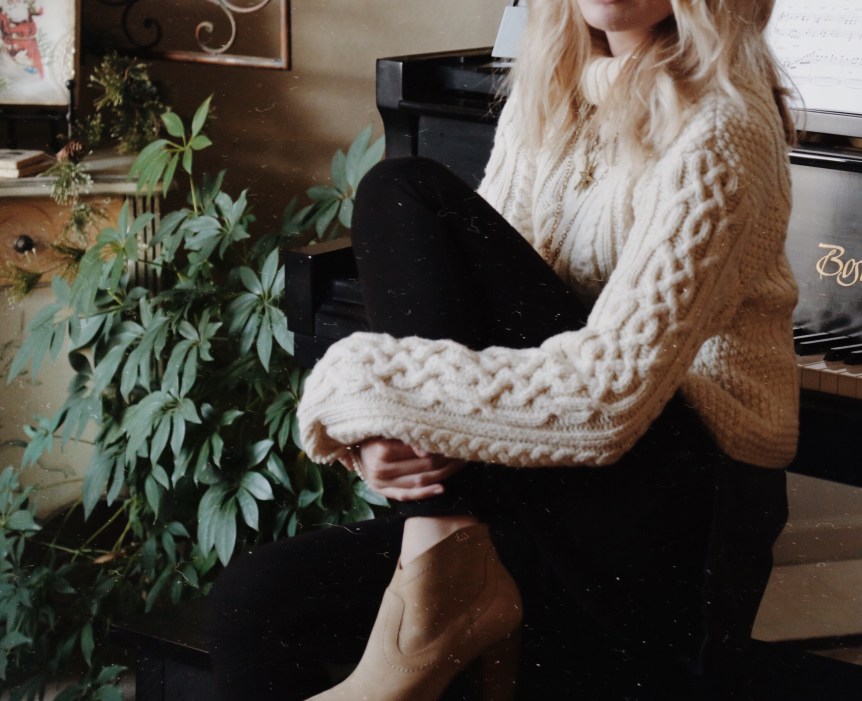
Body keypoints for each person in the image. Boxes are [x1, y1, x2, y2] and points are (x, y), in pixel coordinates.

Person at [207, 0, 799, 698]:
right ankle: (442, 564)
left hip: (674, 517)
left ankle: (437, 583)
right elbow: (455, 321)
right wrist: (391, 433)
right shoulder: (549, 91)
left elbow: (608, 398)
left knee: (401, 189)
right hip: (537, 486)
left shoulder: (724, 129)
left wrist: (371, 387)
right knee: (252, 599)